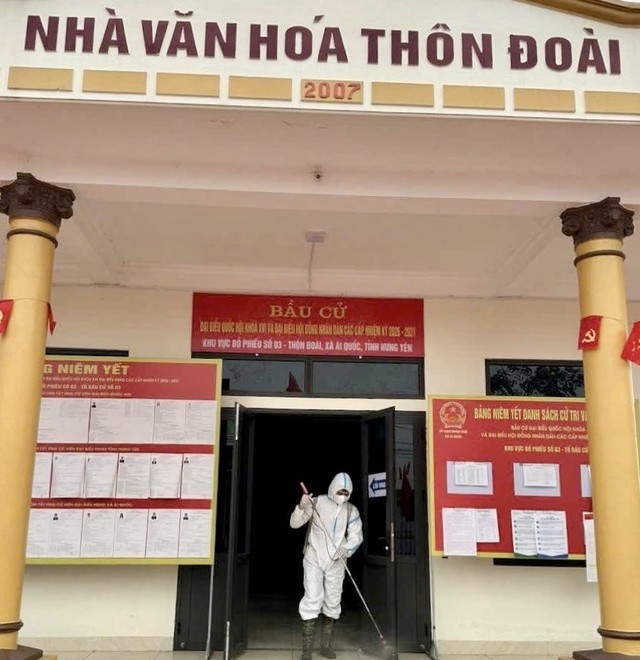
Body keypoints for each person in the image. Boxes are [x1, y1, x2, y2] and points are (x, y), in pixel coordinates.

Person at [290, 472, 363, 660]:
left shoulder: (351, 511)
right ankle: (307, 651)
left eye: (346, 492)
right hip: (314, 557)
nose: (343, 495)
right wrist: (302, 506)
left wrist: (347, 548)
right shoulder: (317, 503)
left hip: (337, 561)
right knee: (312, 598)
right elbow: (294, 524)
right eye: (340, 491)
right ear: (332, 488)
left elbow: (356, 535)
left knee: (333, 601)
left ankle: (326, 646)